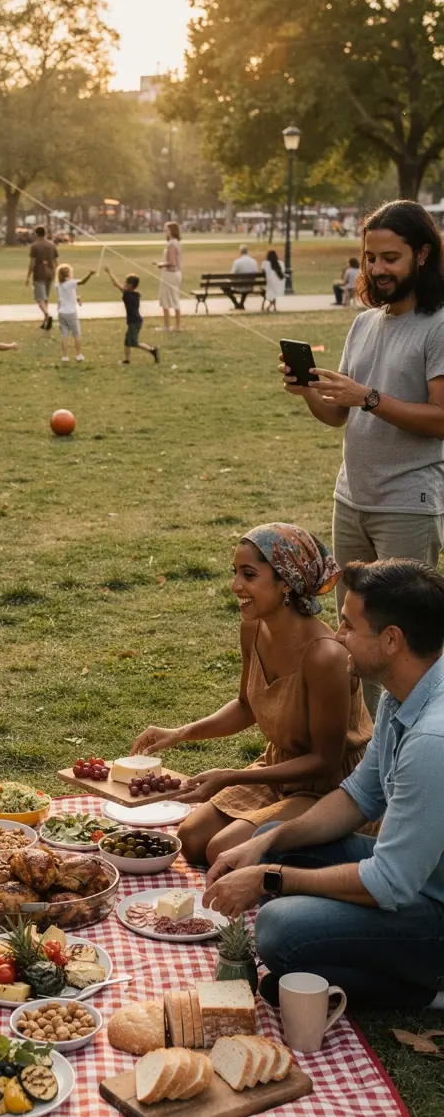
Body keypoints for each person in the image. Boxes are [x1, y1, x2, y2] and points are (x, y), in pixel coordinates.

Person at [203, 559, 444, 1010]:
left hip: (429, 905)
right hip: (420, 875)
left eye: (349, 626)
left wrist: (272, 881)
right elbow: (358, 796)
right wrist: (270, 842)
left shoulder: (434, 739)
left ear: (392, 640)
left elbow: (388, 883)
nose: (336, 637)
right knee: (267, 840)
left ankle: (430, 988)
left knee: (280, 930)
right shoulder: (403, 691)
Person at [281, 199, 444, 715]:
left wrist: (368, 396)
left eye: (390, 258)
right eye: (371, 257)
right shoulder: (364, 323)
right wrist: (308, 391)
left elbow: (441, 418)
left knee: (404, 642)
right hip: (352, 498)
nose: (377, 269)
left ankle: (412, 754)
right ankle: (365, 752)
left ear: (422, 254)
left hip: (408, 501)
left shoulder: (437, 324)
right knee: (357, 638)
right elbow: (340, 416)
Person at [131, 524, 371, 865]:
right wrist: (178, 734)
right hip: (279, 767)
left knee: (222, 852)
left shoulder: (325, 656)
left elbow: (324, 760)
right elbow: (247, 706)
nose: (235, 586)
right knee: (190, 838)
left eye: (249, 575)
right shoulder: (254, 628)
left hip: (330, 787)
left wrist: (232, 776)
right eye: (235, 573)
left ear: (285, 581)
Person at [104, 268, 160, 366]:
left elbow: (116, 284)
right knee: (127, 342)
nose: (124, 284)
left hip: (134, 322)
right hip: (135, 321)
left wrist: (109, 272)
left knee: (134, 342)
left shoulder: (127, 294)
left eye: (126, 282)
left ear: (130, 285)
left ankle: (153, 350)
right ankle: (126, 360)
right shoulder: (135, 294)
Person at [56, 264, 95, 362]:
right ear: (67, 275)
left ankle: (64, 356)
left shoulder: (59, 285)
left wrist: (77, 298)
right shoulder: (70, 283)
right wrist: (90, 274)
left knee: (65, 335)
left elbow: (67, 295)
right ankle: (78, 355)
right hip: (71, 313)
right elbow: (82, 282)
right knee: (76, 334)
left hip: (61, 313)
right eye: (70, 273)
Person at [25, 225, 58, 330]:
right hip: (50, 273)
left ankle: (47, 315)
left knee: (39, 298)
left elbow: (32, 263)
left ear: (36, 234)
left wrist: (28, 276)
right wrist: (57, 273)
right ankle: (45, 321)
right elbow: (55, 261)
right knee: (45, 298)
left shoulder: (35, 246)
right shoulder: (52, 245)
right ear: (45, 233)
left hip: (39, 274)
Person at [154, 222, 183, 332]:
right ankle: (176, 325)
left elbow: (171, 262)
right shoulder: (176, 243)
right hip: (174, 274)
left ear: (172, 231)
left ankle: (168, 326)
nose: (165, 232)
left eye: (167, 230)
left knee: (167, 299)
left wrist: (160, 264)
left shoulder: (172, 244)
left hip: (170, 274)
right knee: (174, 299)